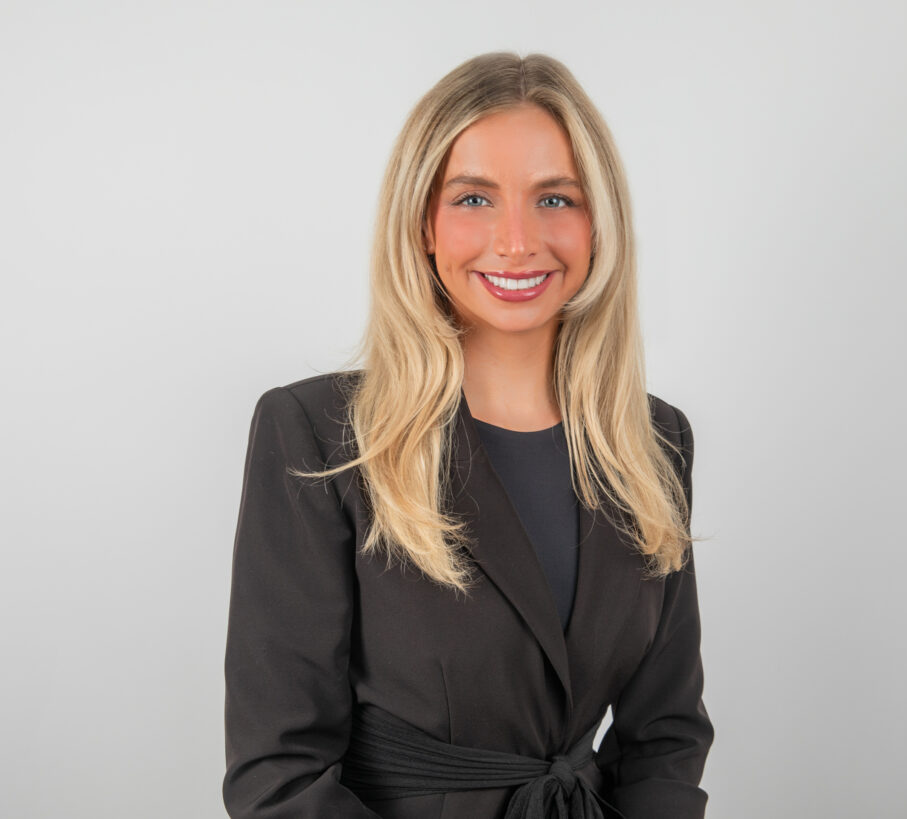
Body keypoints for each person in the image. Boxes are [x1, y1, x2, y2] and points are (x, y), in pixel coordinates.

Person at [223, 51, 713, 819]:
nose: (517, 241)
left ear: (599, 222)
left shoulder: (654, 441)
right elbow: (279, 778)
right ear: (422, 221)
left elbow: (666, 736)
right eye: (475, 198)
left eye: (555, 199)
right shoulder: (317, 435)